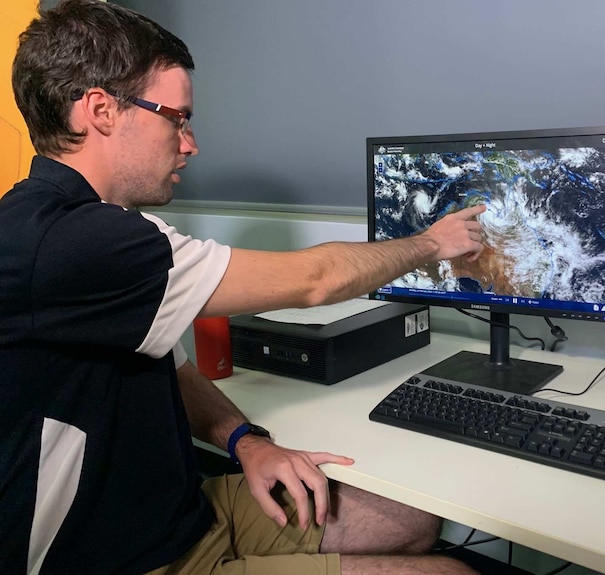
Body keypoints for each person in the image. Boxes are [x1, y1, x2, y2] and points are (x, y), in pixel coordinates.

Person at [0, 1, 487, 574]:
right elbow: (317, 281)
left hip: (182, 515)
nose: (190, 143)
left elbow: (172, 367)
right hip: (123, 561)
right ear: (102, 111)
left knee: (415, 522)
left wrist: (246, 443)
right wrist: (433, 243)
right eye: (175, 118)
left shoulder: (114, 230)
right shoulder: (64, 242)